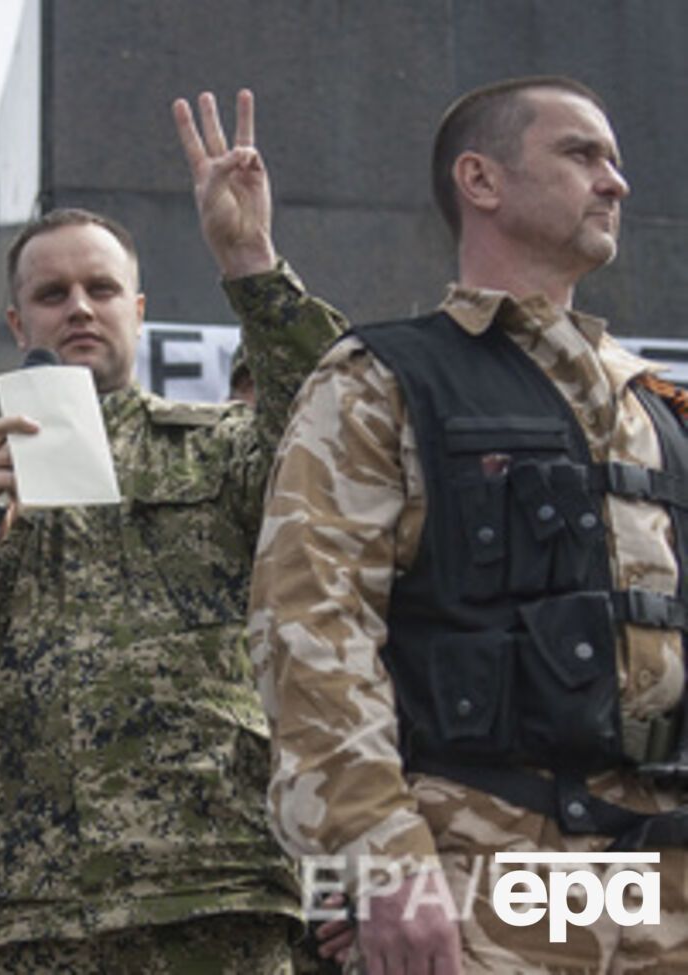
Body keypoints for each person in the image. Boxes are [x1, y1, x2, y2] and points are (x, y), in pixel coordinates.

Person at [0, 88, 344, 973]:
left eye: (101, 289)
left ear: (137, 311)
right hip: (19, 914)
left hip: (211, 891)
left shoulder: (218, 453)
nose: (79, 307)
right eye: (51, 292)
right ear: (17, 323)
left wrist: (250, 259)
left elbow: (337, 441)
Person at [250, 75, 688, 972]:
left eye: (615, 159)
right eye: (581, 154)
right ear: (480, 181)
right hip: (477, 883)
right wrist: (373, 870)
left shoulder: (660, 410)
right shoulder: (382, 380)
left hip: (658, 879)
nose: (616, 182)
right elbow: (311, 633)